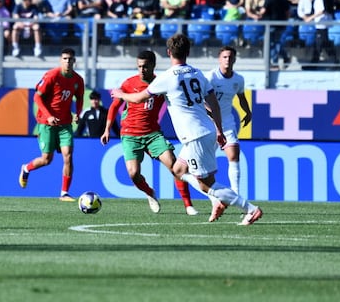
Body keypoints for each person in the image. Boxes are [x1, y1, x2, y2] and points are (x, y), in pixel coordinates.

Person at [111, 33, 263, 225]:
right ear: (188, 52)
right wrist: (219, 130)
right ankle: (218, 202)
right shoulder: (197, 73)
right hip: (206, 130)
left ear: (169, 52)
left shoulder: (167, 78)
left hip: (194, 136)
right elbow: (213, 104)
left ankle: (250, 209)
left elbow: (139, 98)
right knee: (178, 169)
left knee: (206, 185)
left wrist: (120, 94)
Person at [102, 50, 197, 215]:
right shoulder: (129, 83)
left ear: (153, 65)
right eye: (139, 66)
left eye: (145, 66)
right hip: (130, 134)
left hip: (153, 134)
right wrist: (107, 129)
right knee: (133, 174)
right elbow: (115, 106)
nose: (142, 70)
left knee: (174, 166)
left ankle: (188, 205)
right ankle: (150, 192)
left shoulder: (161, 83)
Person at [18, 48, 84, 201]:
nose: (67, 62)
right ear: (61, 60)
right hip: (46, 123)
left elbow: (80, 98)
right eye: (65, 59)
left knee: (68, 156)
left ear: (74, 61)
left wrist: (78, 113)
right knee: (47, 159)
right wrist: (48, 116)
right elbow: (37, 97)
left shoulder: (78, 80)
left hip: (65, 124)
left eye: (70, 59)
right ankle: (26, 168)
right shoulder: (51, 76)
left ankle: (64, 193)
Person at [205, 46, 252, 196]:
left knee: (233, 155)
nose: (228, 59)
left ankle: (236, 194)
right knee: (205, 163)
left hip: (226, 122)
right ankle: (213, 196)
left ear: (235, 60)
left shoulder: (238, 79)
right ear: (219, 59)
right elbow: (199, 98)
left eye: (230, 57)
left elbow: (241, 97)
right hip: (207, 124)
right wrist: (211, 112)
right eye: (225, 57)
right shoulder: (211, 77)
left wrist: (247, 112)